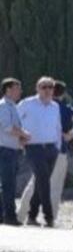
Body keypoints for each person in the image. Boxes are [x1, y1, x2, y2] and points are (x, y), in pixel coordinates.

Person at [17, 80, 73, 224]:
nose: (48, 90)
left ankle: (32, 216)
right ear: (37, 88)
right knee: (43, 179)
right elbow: (15, 120)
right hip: (33, 147)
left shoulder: (54, 107)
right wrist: (20, 137)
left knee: (41, 181)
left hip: (51, 148)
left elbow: (57, 127)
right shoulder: (27, 104)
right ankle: (48, 216)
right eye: (44, 87)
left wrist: (57, 146)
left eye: (50, 87)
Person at [0, 79, 28, 226]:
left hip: (11, 149)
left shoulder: (12, 106)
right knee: (8, 185)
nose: (20, 91)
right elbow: (8, 127)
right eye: (17, 88)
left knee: (7, 184)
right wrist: (24, 134)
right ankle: (9, 217)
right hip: (5, 150)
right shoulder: (4, 106)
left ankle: (4, 215)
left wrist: (21, 139)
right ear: (8, 90)